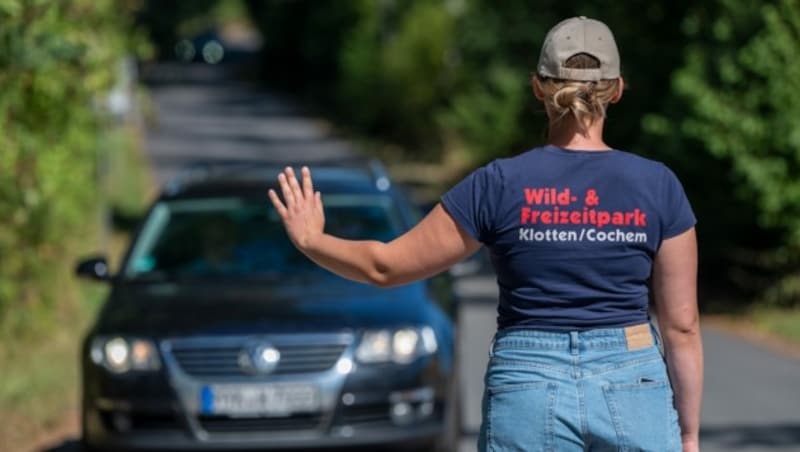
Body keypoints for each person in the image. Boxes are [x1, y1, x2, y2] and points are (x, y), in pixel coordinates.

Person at [268, 16, 702, 452]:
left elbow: (386, 267)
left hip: (527, 387)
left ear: (538, 87)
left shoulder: (498, 184)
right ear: (618, 89)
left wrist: (313, 240)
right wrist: (688, 434)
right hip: (632, 381)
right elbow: (681, 327)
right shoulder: (658, 185)